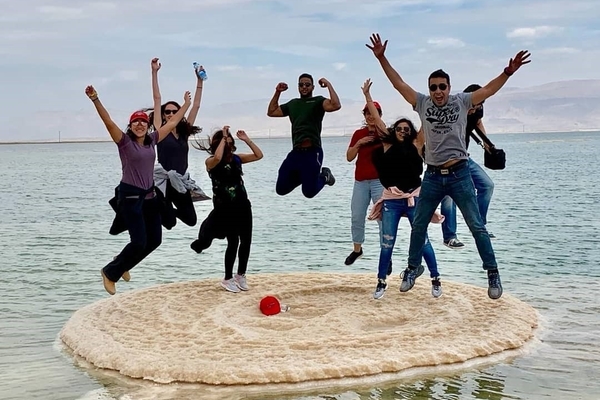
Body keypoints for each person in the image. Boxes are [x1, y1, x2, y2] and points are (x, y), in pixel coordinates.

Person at [367, 33, 531, 299]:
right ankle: (412, 269)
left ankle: (492, 273)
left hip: (459, 173)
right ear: (429, 89)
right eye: (433, 87)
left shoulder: (462, 101)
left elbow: (488, 89)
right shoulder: (421, 103)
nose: (438, 91)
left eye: (442, 86)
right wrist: (382, 57)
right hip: (432, 176)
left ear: (449, 87)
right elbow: (398, 83)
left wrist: (507, 72)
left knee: (477, 226)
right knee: (418, 225)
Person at [85, 85, 191, 295]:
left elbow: (172, 122)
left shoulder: (152, 141)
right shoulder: (124, 142)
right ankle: (109, 272)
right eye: (136, 121)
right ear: (131, 125)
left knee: (155, 240)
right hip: (131, 198)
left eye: (143, 121)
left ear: (148, 125)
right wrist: (95, 99)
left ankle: (122, 264)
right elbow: (108, 122)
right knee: (139, 241)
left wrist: (186, 104)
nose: (140, 124)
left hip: (150, 197)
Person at [362, 79, 442, 299]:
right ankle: (381, 282)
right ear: (394, 130)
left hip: (414, 198)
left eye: (407, 129)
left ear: (411, 132)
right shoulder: (387, 144)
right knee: (387, 243)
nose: (403, 131)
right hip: (392, 200)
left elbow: (428, 123)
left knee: (422, 240)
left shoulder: (417, 145)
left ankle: (435, 279)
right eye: (400, 128)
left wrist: (433, 101)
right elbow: (377, 121)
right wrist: (368, 97)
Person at [190, 126, 263, 293]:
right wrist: (223, 138)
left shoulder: (237, 159)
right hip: (225, 208)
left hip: (243, 205)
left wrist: (247, 140)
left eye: (230, 142)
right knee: (233, 242)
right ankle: (228, 278)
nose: (228, 145)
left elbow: (259, 155)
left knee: (246, 241)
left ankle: (241, 275)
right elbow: (217, 157)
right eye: (225, 142)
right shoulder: (210, 162)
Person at [149, 57, 205, 229]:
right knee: (169, 223)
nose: (171, 114)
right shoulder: (160, 130)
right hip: (163, 181)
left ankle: (157, 211)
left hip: (180, 180)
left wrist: (199, 81)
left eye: (175, 111)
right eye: (168, 112)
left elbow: (195, 105)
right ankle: (157, 210)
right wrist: (154, 72)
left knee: (191, 220)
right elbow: (157, 99)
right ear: (164, 114)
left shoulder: (184, 132)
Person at [266, 73, 341, 198]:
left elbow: (335, 105)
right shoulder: (293, 104)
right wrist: (277, 92)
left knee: (308, 192)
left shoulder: (318, 101)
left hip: (313, 152)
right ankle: (305, 176)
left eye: (307, 85)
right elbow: (271, 112)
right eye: (301, 85)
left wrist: (328, 84)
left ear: (312, 87)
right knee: (281, 188)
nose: (304, 87)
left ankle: (325, 176)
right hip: (296, 152)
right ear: (298, 87)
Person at [440, 83, 496, 248]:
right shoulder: (453, 109)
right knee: (449, 196)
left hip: (464, 159)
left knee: (487, 185)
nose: (477, 107)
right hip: (446, 160)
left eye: (480, 103)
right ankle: (449, 236)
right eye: (475, 103)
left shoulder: (478, 109)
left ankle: (479, 226)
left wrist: (487, 143)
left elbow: (478, 122)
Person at [345, 99, 385, 267]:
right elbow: (349, 157)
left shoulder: (383, 133)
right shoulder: (358, 134)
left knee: (383, 218)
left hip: (378, 181)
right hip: (361, 181)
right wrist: (359, 144)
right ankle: (357, 249)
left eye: (373, 112)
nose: (370, 116)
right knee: (357, 215)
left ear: (378, 115)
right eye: (367, 113)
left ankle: (386, 253)